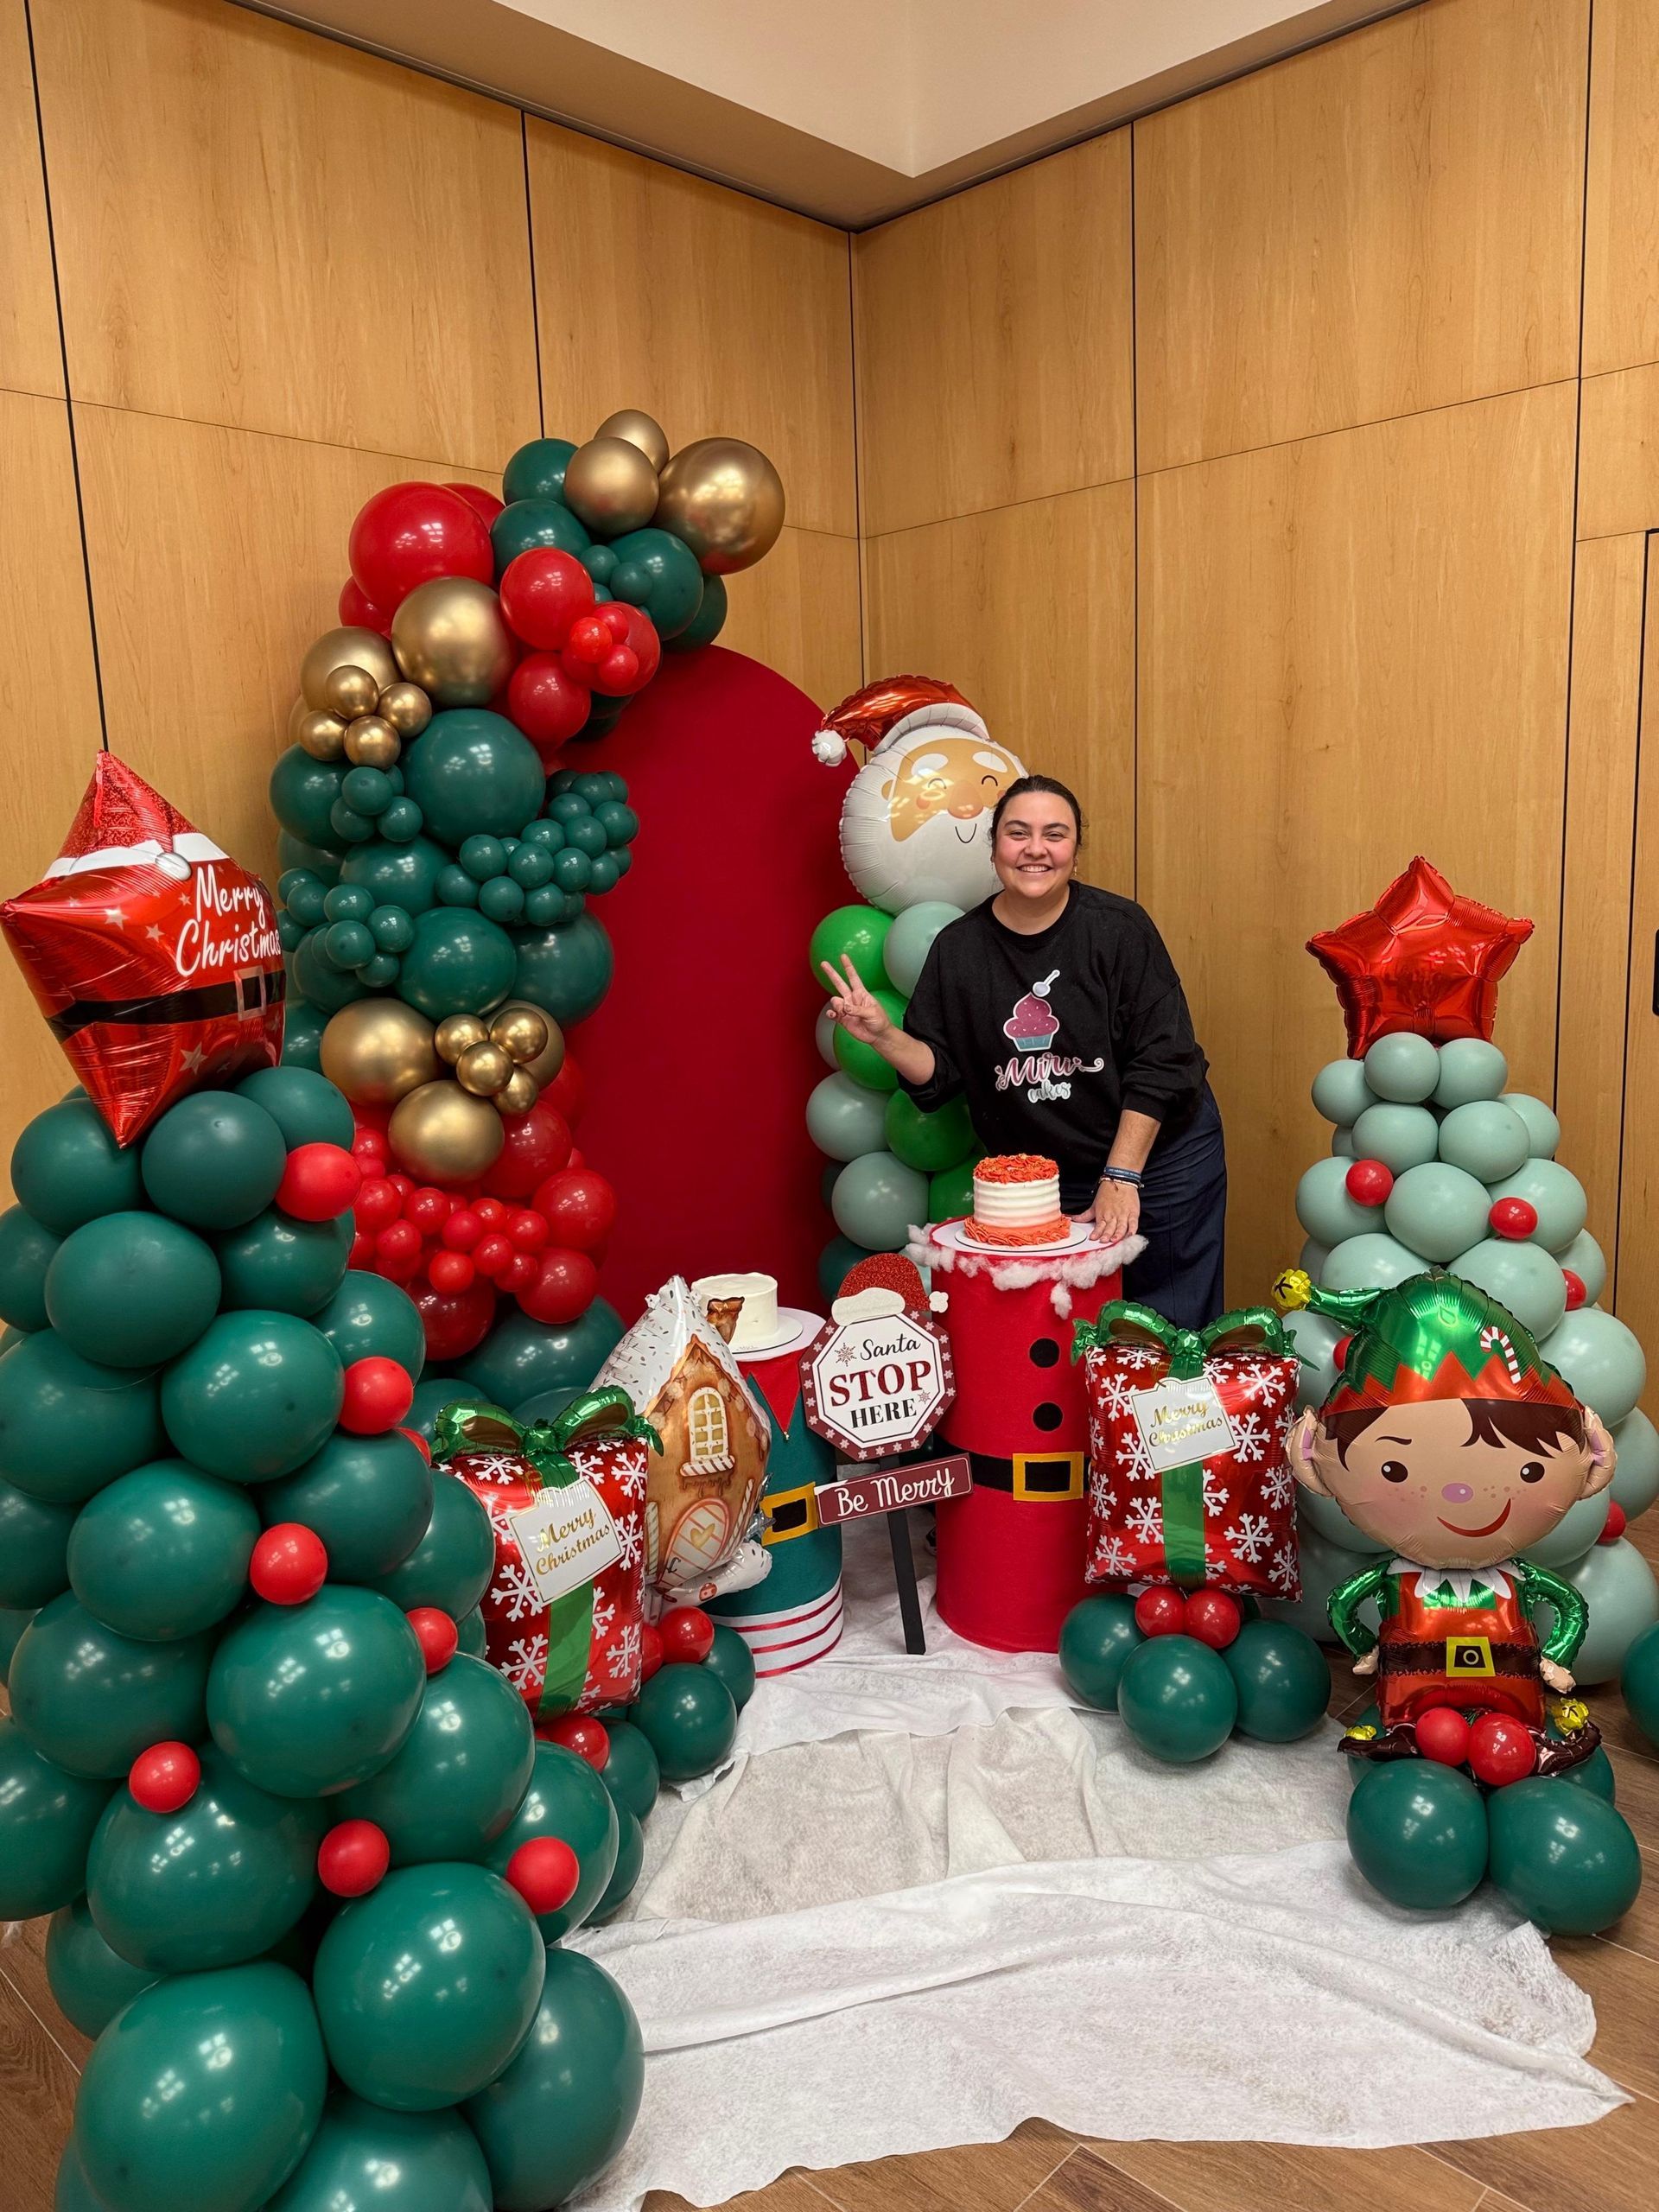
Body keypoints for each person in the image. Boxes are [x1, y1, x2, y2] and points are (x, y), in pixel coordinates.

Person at [821, 772, 1225, 1327]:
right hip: (1047, 1179)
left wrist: (1123, 1177)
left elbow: (1164, 1061)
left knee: (1172, 1327)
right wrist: (885, 1035)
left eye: (1054, 834)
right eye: (1018, 833)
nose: (1036, 849)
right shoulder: (959, 950)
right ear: (994, 850)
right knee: (1070, 1333)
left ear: (1075, 854)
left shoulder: (1119, 931)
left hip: (1160, 1160)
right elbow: (941, 1078)